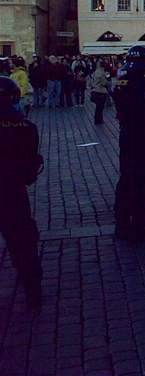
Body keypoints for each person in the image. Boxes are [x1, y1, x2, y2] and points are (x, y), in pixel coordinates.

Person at [0, 76, 43, 309]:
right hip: (14, 192)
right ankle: (32, 285)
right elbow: (30, 170)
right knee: (23, 238)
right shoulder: (27, 128)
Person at [113, 45, 145, 241]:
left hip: (127, 133)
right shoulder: (144, 78)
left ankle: (123, 224)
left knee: (126, 178)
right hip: (142, 134)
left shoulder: (123, 73)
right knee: (142, 179)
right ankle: (140, 226)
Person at [89, 60, 111, 125]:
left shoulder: (96, 71)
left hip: (95, 91)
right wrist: (108, 83)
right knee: (100, 107)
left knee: (98, 107)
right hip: (101, 91)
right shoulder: (102, 72)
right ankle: (99, 120)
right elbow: (104, 82)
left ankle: (97, 120)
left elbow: (91, 81)